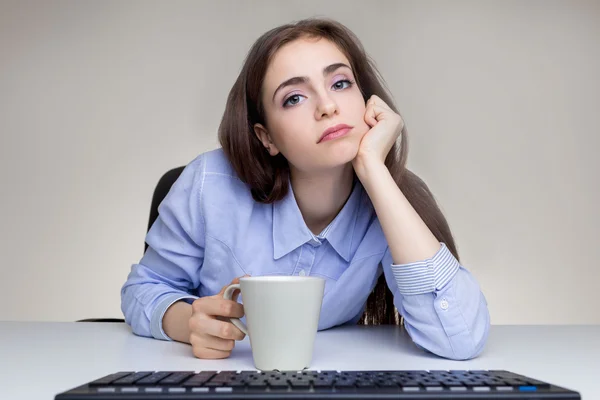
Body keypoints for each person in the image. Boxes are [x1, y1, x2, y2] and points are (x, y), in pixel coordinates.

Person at [121, 17, 490, 361]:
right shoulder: (209, 185)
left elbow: (460, 338)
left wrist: (374, 171)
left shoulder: (389, 200)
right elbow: (143, 290)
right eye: (294, 97)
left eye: (341, 83)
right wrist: (186, 324)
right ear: (267, 138)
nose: (328, 106)